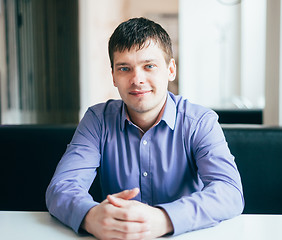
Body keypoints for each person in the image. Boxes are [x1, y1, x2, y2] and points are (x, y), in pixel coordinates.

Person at [46, 17, 244, 240]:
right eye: (124, 68)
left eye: (149, 66)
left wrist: (164, 219)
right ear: (113, 76)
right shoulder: (97, 120)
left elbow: (229, 192)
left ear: (170, 70)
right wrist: (91, 216)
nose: (137, 79)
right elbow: (61, 188)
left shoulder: (200, 122)